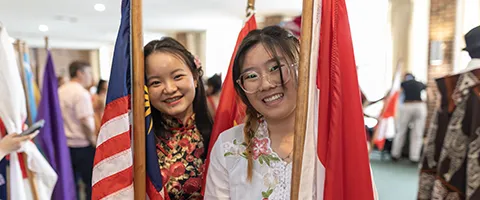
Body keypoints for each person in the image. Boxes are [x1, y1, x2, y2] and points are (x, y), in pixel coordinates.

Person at [204, 26, 299, 199]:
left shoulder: (330, 140)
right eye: (251, 76)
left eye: (274, 68)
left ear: (301, 69)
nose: (266, 84)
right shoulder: (229, 146)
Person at [144, 37, 212, 200]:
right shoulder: (139, 142)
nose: (169, 89)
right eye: (155, 82)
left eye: (177, 77)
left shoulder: (221, 131)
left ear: (195, 78)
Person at [58, 61, 96, 200]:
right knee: (90, 183)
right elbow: (85, 121)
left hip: (65, 145)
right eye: (89, 73)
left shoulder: (61, 90)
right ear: (80, 73)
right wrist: (93, 140)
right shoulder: (81, 93)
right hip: (82, 145)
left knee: (71, 183)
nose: (91, 77)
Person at [391, 73, 426, 162]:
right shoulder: (420, 84)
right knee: (418, 133)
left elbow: (397, 94)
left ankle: (395, 154)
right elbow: (429, 94)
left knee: (401, 130)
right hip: (420, 106)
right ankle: (415, 157)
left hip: (407, 105)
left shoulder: (404, 83)